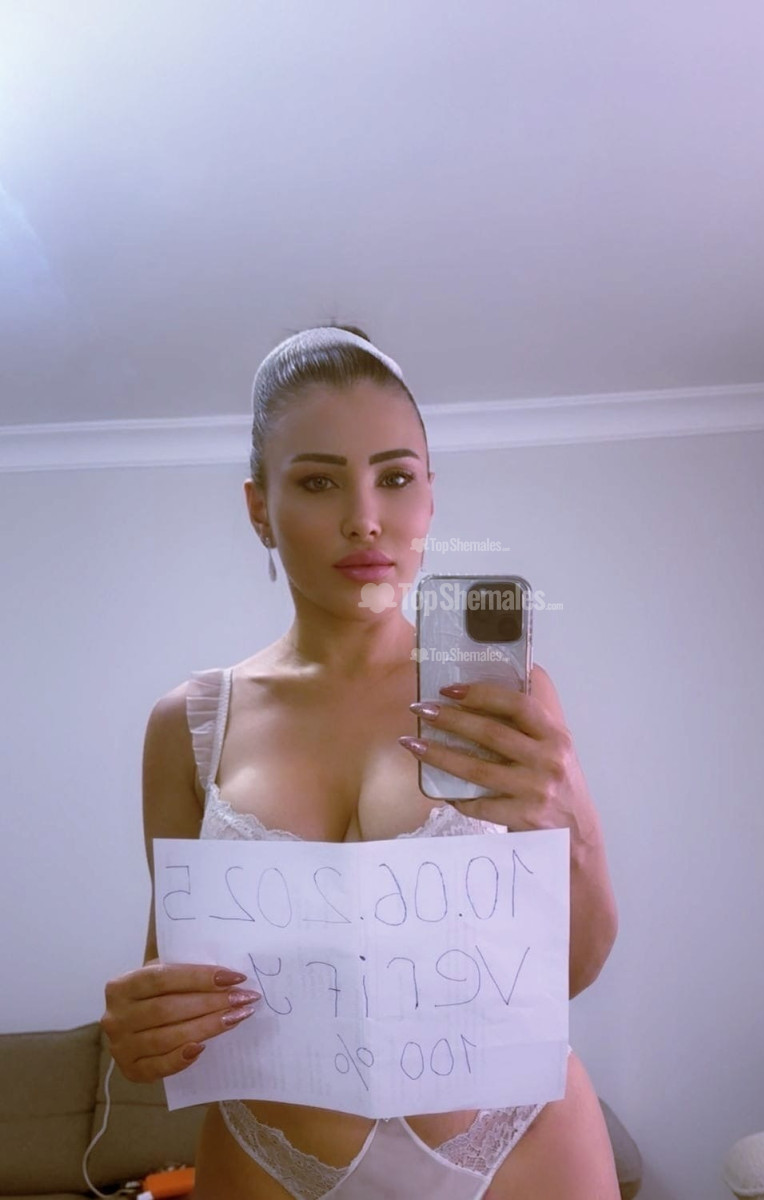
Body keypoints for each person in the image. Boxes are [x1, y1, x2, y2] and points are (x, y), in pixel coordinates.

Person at [102, 325, 620, 1199]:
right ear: (259, 508)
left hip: (519, 1143)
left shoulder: (506, 695)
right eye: (317, 481)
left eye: (395, 477)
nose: (365, 517)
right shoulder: (189, 724)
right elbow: (175, 986)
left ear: (430, 497)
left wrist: (573, 823)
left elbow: (572, 971)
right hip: (268, 1159)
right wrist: (143, 1026)